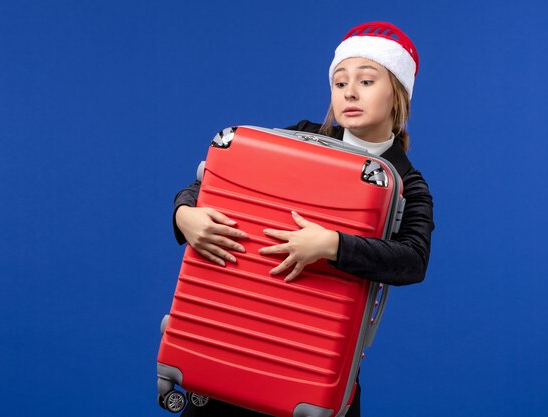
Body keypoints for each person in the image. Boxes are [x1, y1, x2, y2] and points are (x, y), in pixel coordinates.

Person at [171, 21, 434, 417]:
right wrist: (185, 214)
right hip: (235, 334)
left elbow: (413, 259)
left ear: (397, 96)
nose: (350, 92)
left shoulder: (407, 183)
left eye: (366, 81)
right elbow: (218, 176)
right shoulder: (296, 140)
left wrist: (332, 245)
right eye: (340, 82)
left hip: (310, 356)